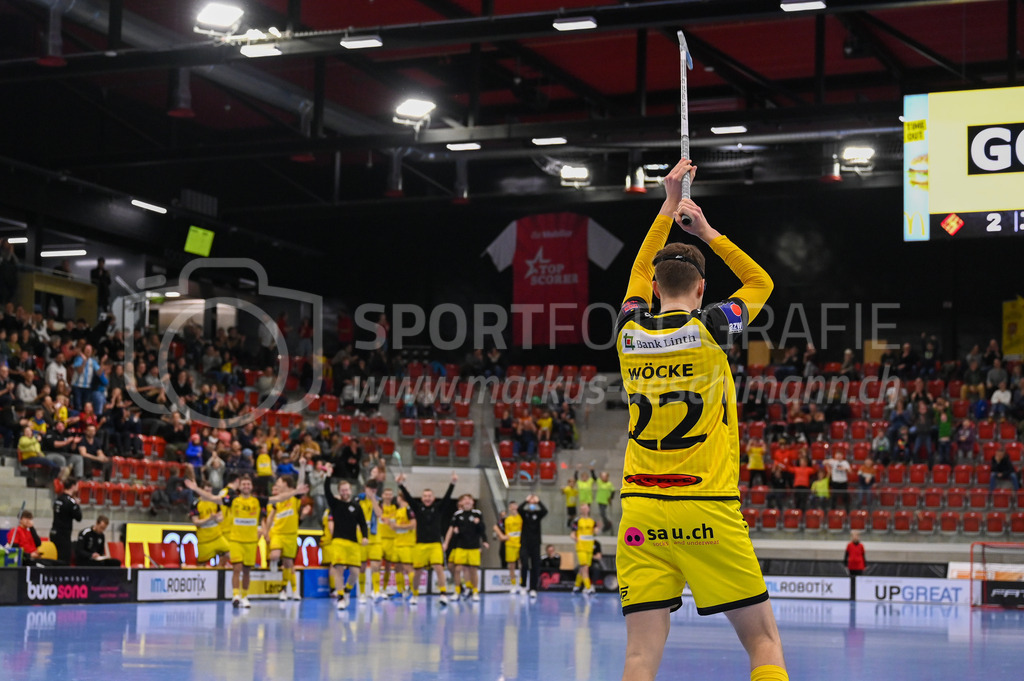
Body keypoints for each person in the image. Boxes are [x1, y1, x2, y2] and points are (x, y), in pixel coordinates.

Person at [614, 159, 787, 681]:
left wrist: (666, 207)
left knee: (640, 657)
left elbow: (638, 273)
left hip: (641, 512)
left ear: (654, 287)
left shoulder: (627, 332)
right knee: (762, 642)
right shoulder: (714, 326)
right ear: (701, 289)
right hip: (707, 507)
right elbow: (762, 282)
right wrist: (706, 230)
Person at [186, 474, 299, 608]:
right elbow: (212, 497)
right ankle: (235, 596)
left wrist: (296, 492)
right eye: (244, 484)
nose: (246, 486)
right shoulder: (232, 500)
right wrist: (196, 489)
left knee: (246, 571)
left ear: (251, 487)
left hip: (251, 542)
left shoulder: (258, 501)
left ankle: (245, 597)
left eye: (248, 484)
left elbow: (279, 498)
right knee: (237, 568)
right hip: (236, 541)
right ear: (240, 486)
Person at [397, 471, 457, 605]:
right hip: (420, 545)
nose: (427, 498)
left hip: (435, 544)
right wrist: (401, 485)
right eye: (425, 496)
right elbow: (408, 497)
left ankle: (443, 594)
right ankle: (415, 594)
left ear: (433, 498)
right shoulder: (417, 508)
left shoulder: (438, 508)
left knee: (439, 568)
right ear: (422, 498)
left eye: (429, 496)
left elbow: (447, 497)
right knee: (417, 572)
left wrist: (452, 483)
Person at [322, 477, 369, 610]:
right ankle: (340, 596)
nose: (345, 492)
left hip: (353, 543)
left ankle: (347, 590)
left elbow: (363, 523)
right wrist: (328, 477)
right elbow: (327, 492)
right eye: (342, 490)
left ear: (350, 490)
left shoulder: (356, 506)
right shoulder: (335, 504)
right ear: (339, 492)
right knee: (339, 569)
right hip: (338, 541)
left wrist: (365, 537)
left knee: (355, 572)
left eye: (347, 489)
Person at [265, 474, 309, 601]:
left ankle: (289, 590)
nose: (277, 484)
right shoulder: (277, 500)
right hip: (278, 533)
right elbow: (270, 516)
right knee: (274, 555)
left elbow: (300, 483)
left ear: (286, 484)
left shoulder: (295, 497)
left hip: (291, 535)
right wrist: (266, 531)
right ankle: (273, 562)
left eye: (279, 481)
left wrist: (302, 466)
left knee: (289, 564)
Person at [444, 494, 489, 602]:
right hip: (461, 546)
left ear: (473, 502)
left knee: (473, 570)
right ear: (461, 503)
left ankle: (475, 592)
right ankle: (457, 591)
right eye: (465, 500)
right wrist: (450, 537)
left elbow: (482, 529)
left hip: (474, 546)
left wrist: (485, 540)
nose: (467, 501)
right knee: (458, 569)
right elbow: (452, 528)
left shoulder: (477, 513)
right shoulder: (458, 514)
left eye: (469, 500)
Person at [356, 480, 385, 602]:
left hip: (375, 538)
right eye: (369, 489)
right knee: (362, 567)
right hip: (361, 538)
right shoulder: (358, 500)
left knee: (375, 566)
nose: (371, 491)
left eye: (374, 490)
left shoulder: (379, 501)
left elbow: (379, 514)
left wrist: (373, 499)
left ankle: (376, 591)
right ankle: (362, 593)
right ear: (365, 488)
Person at [188, 481, 230, 567]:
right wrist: (209, 518)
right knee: (201, 565)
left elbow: (221, 518)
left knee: (231, 554)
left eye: (210, 490)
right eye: (206, 490)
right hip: (204, 540)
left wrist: (217, 518)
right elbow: (196, 522)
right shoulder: (195, 504)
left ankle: (219, 572)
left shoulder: (215, 502)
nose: (208, 492)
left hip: (217, 537)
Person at [386, 492, 417, 599]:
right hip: (397, 543)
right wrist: (390, 524)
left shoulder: (409, 509)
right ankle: (400, 590)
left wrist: (398, 526)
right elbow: (393, 526)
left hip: (407, 544)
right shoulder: (397, 511)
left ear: (400, 498)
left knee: (408, 568)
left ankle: (413, 591)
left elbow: (413, 525)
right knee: (397, 568)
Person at [518, 492, 547, 598]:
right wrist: (526, 500)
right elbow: (519, 509)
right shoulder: (524, 513)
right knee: (524, 564)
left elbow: (545, 511)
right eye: (530, 503)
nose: (531, 504)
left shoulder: (538, 514)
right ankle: (523, 585)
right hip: (525, 543)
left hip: (535, 544)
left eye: (533, 503)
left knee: (535, 566)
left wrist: (538, 501)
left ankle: (533, 588)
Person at [50, 477, 82, 564]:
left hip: (54, 531)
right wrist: (77, 505)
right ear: (73, 486)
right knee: (64, 559)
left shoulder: (57, 499)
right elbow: (79, 517)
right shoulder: (70, 501)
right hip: (64, 534)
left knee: (55, 557)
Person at [494, 500, 522, 595]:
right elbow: (495, 527)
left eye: (515, 506)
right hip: (510, 544)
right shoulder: (506, 519)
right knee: (511, 565)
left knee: (522, 564)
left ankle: (522, 584)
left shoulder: (521, 518)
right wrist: (502, 536)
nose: (513, 508)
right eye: (512, 507)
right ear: (509, 508)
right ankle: (513, 585)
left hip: (520, 544)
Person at [570, 503, 597, 595]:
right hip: (581, 547)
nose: (584, 509)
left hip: (589, 547)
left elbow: (595, 531)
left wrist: (597, 530)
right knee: (585, 567)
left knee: (583, 568)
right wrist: (574, 537)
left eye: (586, 508)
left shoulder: (592, 521)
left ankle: (576, 586)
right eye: (582, 508)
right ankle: (588, 587)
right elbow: (573, 533)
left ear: (588, 509)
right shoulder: (577, 521)